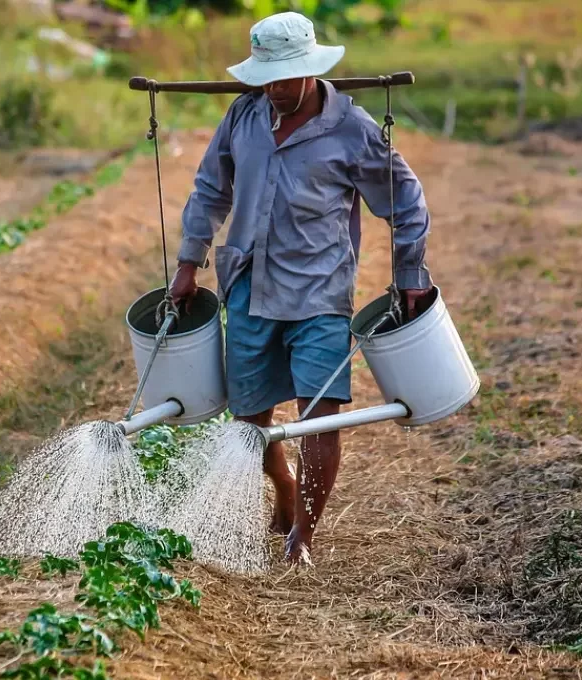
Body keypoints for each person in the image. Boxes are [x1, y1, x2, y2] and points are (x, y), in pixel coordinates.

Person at [168, 11, 434, 565]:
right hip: (248, 286)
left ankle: (302, 537)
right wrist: (188, 262)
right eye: (266, 78)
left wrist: (409, 274)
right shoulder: (243, 116)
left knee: (320, 414)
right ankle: (284, 489)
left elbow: (406, 202)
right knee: (249, 420)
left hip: (319, 293)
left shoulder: (352, 130)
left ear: (312, 71)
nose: (275, 89)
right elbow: (209, 190)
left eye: (285, 78)